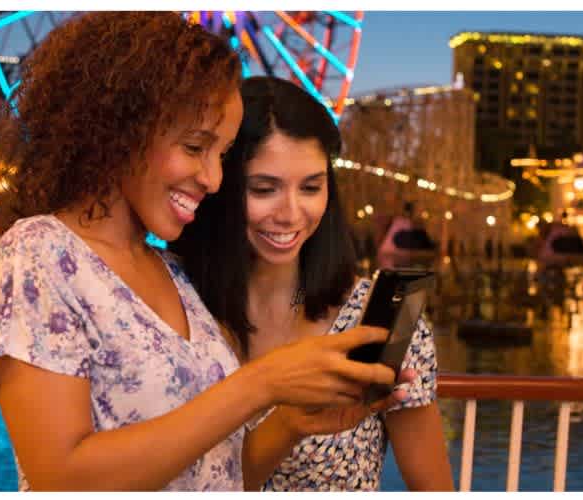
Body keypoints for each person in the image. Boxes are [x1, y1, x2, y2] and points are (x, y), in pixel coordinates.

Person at [0, 12, 414, 491]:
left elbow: (217, 473)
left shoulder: (176, 275)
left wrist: (294, 419)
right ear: (124, 127)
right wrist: (260, 384)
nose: (213, 179)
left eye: (221, 154)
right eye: (194, 146)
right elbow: (60, 476)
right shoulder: (39, 255)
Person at [171, 76, 453, 491]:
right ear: (218, 186)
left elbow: (433, 488)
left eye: (311, 187)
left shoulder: (373, 319)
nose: (290, 214)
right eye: (264, 189)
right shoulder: (167, 301)